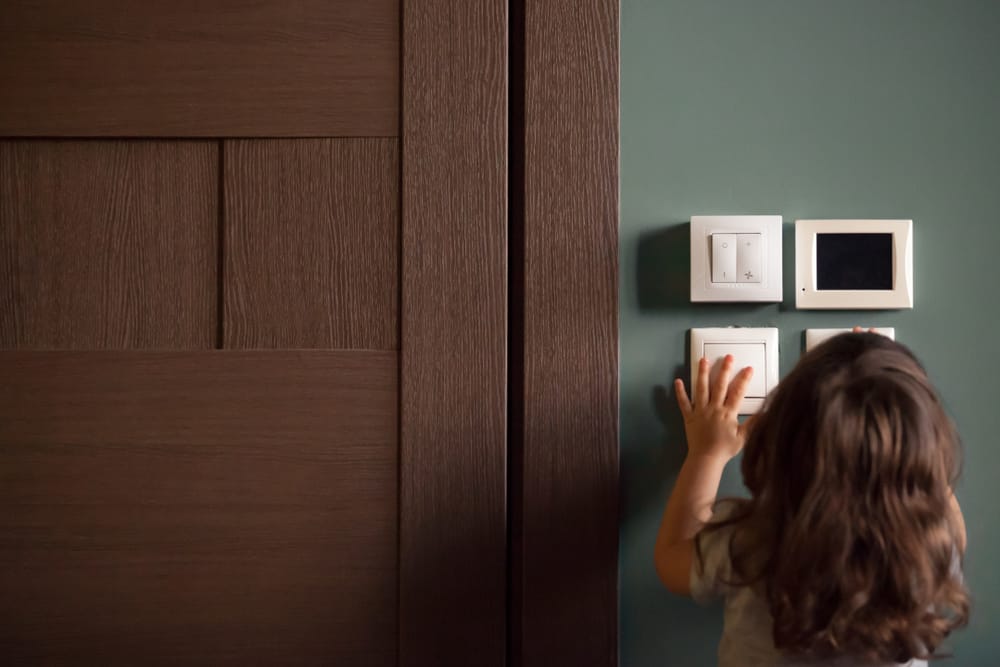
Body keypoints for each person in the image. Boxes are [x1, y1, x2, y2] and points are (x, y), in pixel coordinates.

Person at [654, 331, 969, 666]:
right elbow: (954, 533)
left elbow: (672, 559)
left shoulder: (751, 539)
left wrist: (707, 454)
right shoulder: (926, 550)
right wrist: (897, 429)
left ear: (780, 438)